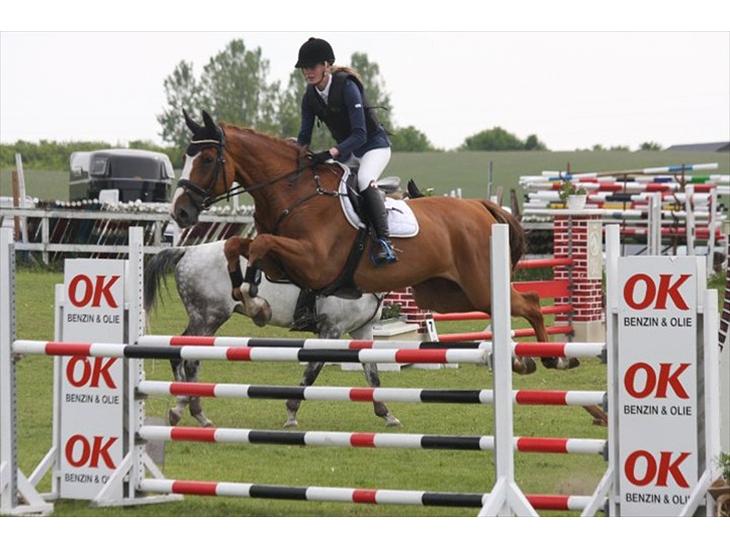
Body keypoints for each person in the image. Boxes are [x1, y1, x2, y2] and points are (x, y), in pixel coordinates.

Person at [295, 37, 397, 266]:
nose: (307, 72)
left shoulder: (347, 87)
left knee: (364, 179)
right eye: (304, 68)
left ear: (326, 65)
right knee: (325, 181)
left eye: (312, 66)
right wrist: (291, 154)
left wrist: (331, 152)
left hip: (373, 147)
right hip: (348, 153)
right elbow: (303, 137)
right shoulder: (310, 97)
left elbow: (360, 134)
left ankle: (384, 241)